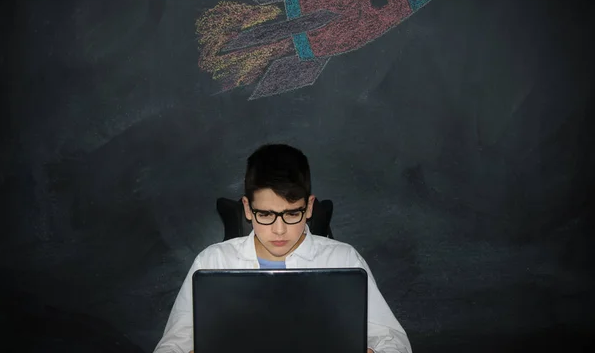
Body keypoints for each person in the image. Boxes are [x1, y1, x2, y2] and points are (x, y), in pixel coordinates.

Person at [153, 144, 412, 353]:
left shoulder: (343, 259)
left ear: (309, 207)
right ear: (247, 209)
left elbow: (394, 341)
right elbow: (172, 344)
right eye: (265, 214)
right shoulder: (213, 262)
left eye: (292, 214)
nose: (279, 230)